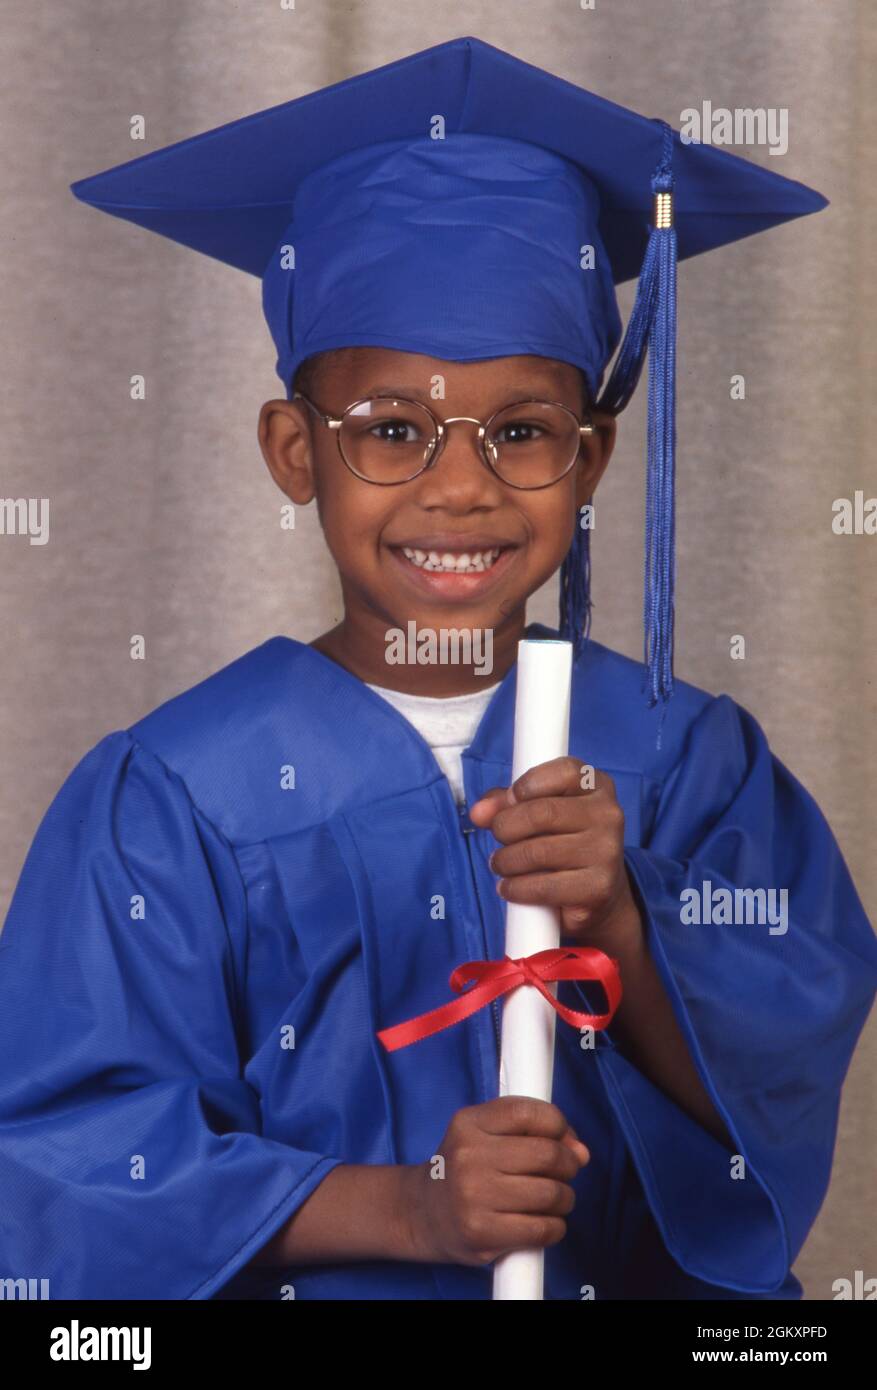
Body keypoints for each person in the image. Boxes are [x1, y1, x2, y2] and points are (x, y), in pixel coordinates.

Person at [0, 35, 874, 1301]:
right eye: (391, 430)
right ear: (294, 451)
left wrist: (622, 919)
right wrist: (407, 1211)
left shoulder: (685, 759)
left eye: (520, 430)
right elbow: (61, 1161)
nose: (457, 484)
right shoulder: (171, 797)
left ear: (592, 461)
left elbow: (792, 1058)